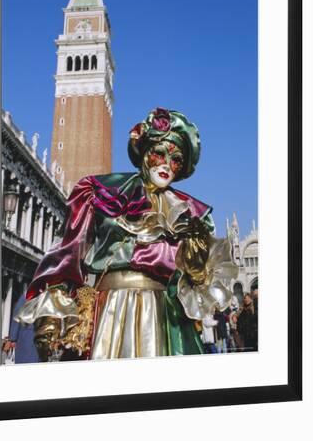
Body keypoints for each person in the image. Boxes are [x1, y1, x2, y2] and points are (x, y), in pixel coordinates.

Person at [15, 107, 238, 361]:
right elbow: (70, 250)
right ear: (145, 153)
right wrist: (54, 304)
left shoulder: (191, 213)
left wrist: (197, 260)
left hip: (165, 316)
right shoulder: (101, 191)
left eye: (175, 159)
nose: (167, 164)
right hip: (110, 308)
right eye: (159, 153)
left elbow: (196, 282)